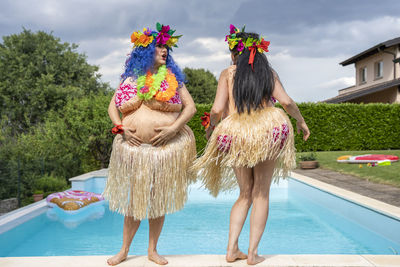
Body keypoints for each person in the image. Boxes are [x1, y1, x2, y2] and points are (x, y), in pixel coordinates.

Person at [193, 25, 310, 265]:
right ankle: (253, 253)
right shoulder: (268, 72)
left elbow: (216, 110)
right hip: (266, 131)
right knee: (261, 193)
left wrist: (211, 129)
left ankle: (231, 250)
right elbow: (286, 102)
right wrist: (301, 121)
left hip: (236, 133)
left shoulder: (228, 73)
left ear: (236, 52)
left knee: (245, 193)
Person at [103, 23, 197, 266]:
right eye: (159, 48)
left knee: (157, 198)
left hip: (163, 149)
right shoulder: (131, 80)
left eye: (166, 48)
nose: (164, 51)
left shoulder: (173, 79)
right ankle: (124, 250)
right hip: (135, 149)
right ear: (146, 52)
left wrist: (174, 128)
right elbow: (113, 107)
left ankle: (152, 250)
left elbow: (191, 108)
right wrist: (120, 127)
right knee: (135, 200)